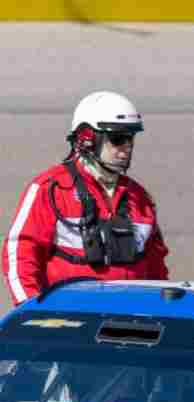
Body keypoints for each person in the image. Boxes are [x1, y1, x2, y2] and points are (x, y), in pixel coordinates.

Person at [3, 91, 169, 305]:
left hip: (130, 320)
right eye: (118, 139)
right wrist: (30, 309)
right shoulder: (50, 188)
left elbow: (157, 268)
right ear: (87, 138)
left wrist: (160, 309)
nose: (126, 149)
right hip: (69, 323)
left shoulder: (141, 198)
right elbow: (20, 253)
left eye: (130, 139)